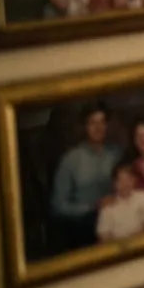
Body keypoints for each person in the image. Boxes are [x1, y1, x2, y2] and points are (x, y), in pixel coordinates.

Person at [50, 104, 119, 251]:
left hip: (117, 221)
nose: (98, 128)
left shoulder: (116, 154)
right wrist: (91, 207)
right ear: (84, 127)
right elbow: (57, 206)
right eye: (92, 123)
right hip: (84, 227)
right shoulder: (70, 160)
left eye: (102, 122)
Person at [97, 163, 144, 242]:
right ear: (114, 183)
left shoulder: (143, 196)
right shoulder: (107, 207)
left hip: (143, 243)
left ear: (134, 180)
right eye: (120, 180)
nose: (124, 184)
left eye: (128, 179)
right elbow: (103, 237)